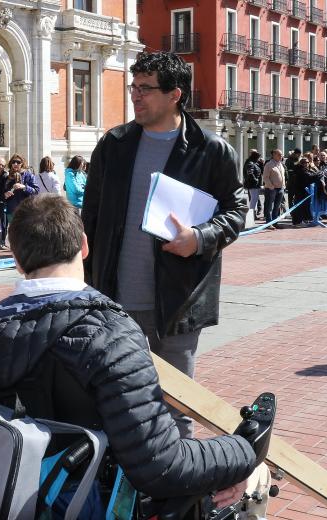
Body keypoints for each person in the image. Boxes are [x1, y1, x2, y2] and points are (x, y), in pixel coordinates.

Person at [0, 195, 257, 509]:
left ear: (16, 259)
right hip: (83, 502)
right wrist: (243, 452)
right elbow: (161, 465)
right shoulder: (112, 336)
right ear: (83, 245)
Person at [81, 51, 247, 438]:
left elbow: (237, 210)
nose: (135, 97)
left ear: (175, 94)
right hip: (115, 301)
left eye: (145, 89)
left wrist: (200, 238)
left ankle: (175, 492)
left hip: (178, 302)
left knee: (176, 408)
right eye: (133, 88)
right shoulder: (114, 144)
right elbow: (90, 218)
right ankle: (125, 489)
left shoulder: (211, 150)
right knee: (119, 400)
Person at [2, 153, 38, 226]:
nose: (15, 164)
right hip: (11, 210)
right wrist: (5, 195)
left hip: (25, 211)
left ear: (22, 164)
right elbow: (2, 194)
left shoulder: (29, 175)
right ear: (11, 164)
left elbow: (36, 191)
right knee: (14, 234)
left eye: (18, 162)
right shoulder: (7, 177)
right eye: (13, 162)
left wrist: (24, 187)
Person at [262, 149, 285, 228]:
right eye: (279, 154)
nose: (281, 156)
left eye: (281, 155)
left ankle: (275, 222)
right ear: (274, 155)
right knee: (269, 207)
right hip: (271, 189)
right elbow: (265, 177)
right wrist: (271, 186)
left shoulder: (280, 164)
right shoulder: (269, 164)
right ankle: (269, 223)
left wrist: (283, 186)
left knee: (277, 207)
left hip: (280, 188)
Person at [242, 149, 262, 220]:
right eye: (258, 157)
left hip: (254, 185)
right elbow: (250, 173)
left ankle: (254, 215)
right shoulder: (250, 163)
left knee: (254, 200)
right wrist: (256, 180)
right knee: (253, 200)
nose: (259, 159)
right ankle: (251, 216)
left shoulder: (252, 163)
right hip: (253, 185)